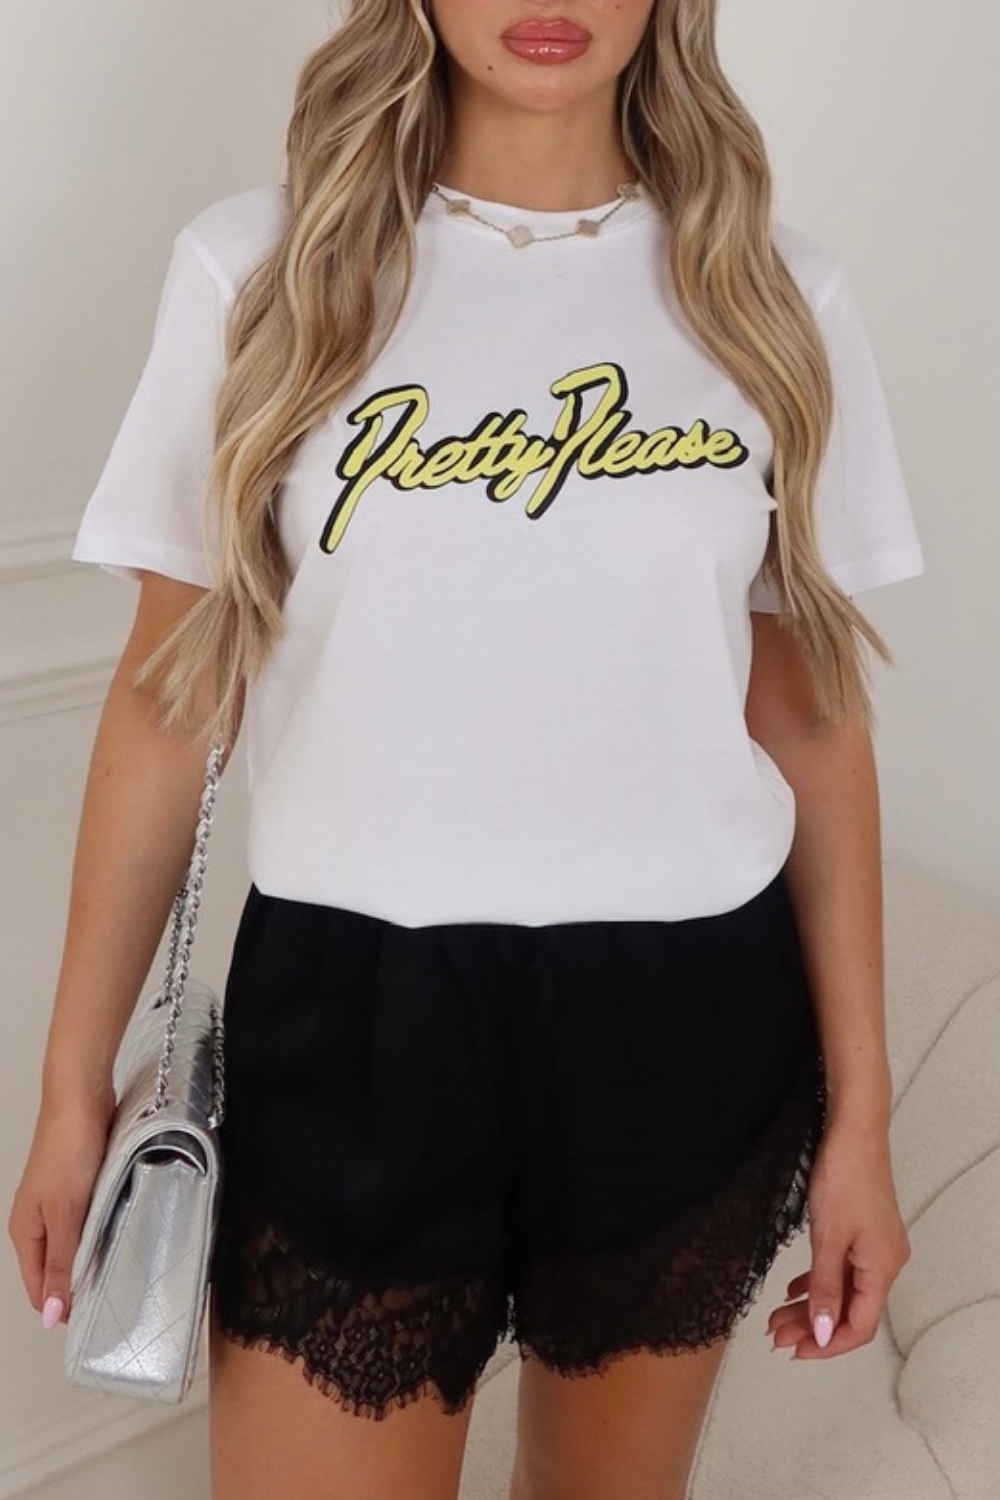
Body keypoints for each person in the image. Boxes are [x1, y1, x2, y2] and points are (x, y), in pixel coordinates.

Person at [8, 0, 925, 1495]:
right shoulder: (264, 267)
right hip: (356, 1015)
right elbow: (171, 702)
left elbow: (816, 723)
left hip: (682, 1021)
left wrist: (864, 1121)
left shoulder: (769, 293)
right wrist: (68, 1090)